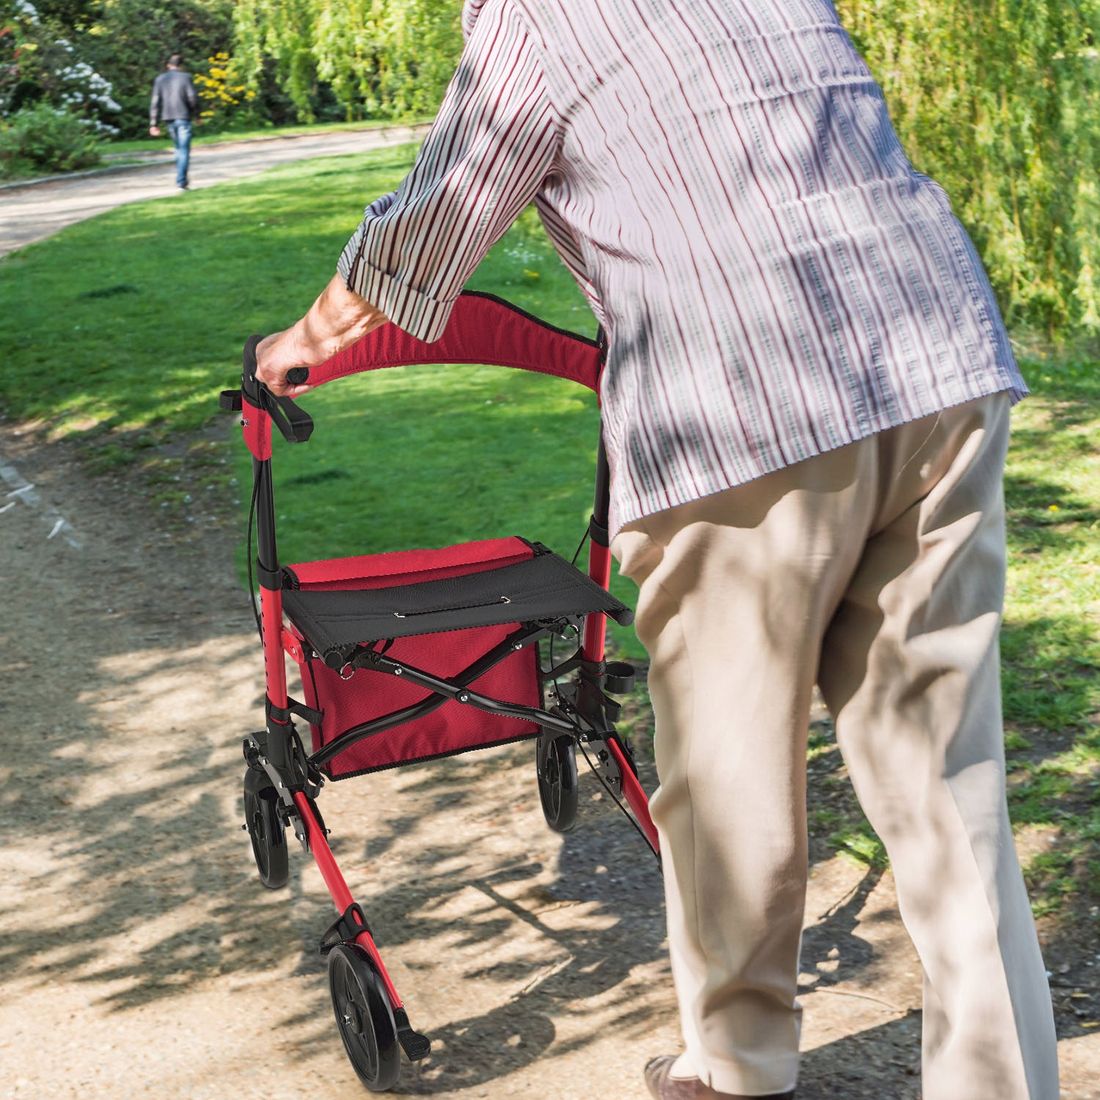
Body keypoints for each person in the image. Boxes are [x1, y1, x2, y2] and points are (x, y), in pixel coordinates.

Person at [255, 1, 1060, 1097]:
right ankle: (1000, 1080)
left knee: (729, 768)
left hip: (747, 395)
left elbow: (432, 229)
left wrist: (300, 341)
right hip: (937, 359)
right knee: (942, 773)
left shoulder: (532, 19)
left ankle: (734, 1064)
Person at [149, 53, 198, 190]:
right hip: (183, 116)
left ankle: (181, 179)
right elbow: (192, 97)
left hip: (168, 117)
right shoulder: (186, 78)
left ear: (168, 65)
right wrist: (197, 115)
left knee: (178, 149)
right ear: (181, 66)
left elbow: (155, 102)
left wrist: (153, 123)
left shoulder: (160, 79)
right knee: (184, 150)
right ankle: (181, 181)